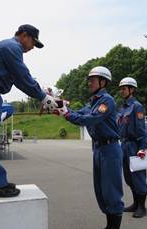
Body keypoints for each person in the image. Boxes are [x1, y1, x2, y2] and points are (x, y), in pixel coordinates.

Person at [0, 24, 58, 198]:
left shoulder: (7, 48)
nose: (33, 47)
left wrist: (41, 92)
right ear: (24, 35)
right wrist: (43, 97)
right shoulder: (12, 47)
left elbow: (21, 79)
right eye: (33, 42)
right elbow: (22, 77)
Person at [53, 66, 123, 229]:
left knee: (111, 190)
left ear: (103, 82)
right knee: (101, 190)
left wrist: (67, 113)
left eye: (93, 80)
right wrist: (61, 105)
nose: (89, 83)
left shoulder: (106, 101)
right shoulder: (93, 102)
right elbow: (79, 113)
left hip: (110, 149)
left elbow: (90, 119)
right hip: (98, 149)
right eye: (89, 80)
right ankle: (109, 225)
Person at [117, 77, 147, 218]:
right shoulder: (123, 107)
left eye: (124, 88)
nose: (122, 91)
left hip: (135, 145)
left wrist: (142, 148)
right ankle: (135, 203)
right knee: (129, 177)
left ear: (132, 89)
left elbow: (142, 130)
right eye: (121, 89)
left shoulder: (137, 106)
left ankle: (142, 206)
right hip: (124, 145)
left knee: (138, 177)